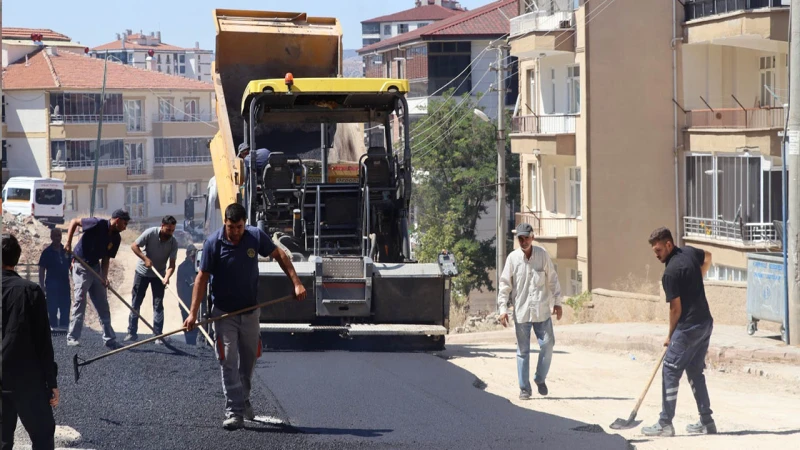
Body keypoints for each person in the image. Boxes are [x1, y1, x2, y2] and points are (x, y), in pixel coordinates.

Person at [183, 203, 306, 430]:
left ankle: (244, 399)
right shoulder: (213, 244)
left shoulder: (255, 236)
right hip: (223, 313)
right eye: (232, 227)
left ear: (245, 223)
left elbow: (279, 255)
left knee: (249, 360)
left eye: (239, 227)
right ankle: (234, 410)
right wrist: (192, 314)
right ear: (225, 224)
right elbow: (201, 279)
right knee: (228, 359)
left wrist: (296, 283)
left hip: (250, 312)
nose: (236, 232)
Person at [642, 227, 716, 437]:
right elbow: (708, 256)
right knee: (694, 371)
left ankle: (665, 423)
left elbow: (676, 309)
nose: (656, 255)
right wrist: (698, 278)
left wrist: (670, 335)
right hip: (705, 323)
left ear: (668, 244)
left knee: (670, 370)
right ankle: (707, 422)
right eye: (654, 251)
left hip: (688, 326)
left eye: (658, 250)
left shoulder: (671, 273)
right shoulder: (689, 252)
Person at [2, 233, 60, 450]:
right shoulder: (30, 291)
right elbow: (43, 341)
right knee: (43, 435)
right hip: (27, 378)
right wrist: (51, 382)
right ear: (16, 259)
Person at [497, 222, 563, 400]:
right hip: (522, 312)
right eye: (521, 238)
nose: (524, 241)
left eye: (527, 237)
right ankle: (524, 388)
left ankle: (539, 378)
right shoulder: (513, 258)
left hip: (541, 311)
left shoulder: (542, 255)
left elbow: (553, 279)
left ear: (532, 237)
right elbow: (504, 285)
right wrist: (503, 309)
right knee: (523, 351)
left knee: (548, 344)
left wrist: (557, 302)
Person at [64, 209, 130, 349]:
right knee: (80, 301)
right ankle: (72, 337)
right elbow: (74, 222)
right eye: (124, 223)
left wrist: (104, 277)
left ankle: (109, 339)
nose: (125, 227)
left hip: (95, 268)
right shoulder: (97, 223)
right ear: (117, 220)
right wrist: (68, 242)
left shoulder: (116, 238)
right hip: (81, 264)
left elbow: (106, 258)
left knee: (103, 304)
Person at [125, 215, 179, 344]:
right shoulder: (150, 233)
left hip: (159, 275)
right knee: (136, 302)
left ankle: (157, 335)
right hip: (142, 273)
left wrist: (166, 277)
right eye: (168, 230)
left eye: (172, 230)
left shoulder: (173, 242)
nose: (170, 233)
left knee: (158, 304)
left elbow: (172, 265)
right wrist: (145, 259)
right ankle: (132, 332)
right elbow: (134, 246)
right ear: (162, 226)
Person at [38, 228, 72, 330]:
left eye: (59, 236)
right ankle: (53, 328)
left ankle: (64, 328)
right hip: (52, 285)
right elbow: (41, 269)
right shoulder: (47, 252)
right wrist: (42, 285)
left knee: (65, 306)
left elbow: (72, 266)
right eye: (56, 236)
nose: (58, 238)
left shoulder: (65, 251)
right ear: (51, 237)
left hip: (64, 284)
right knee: (52, 307)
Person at [176, 244, 201, 346]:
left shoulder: (200, 266)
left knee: (199, 320)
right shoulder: (182, 267)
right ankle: (189, 343)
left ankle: (199, 341)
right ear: (187, 255)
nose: (193, 258)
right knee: (187, 319)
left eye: (194, 256)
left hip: (198, 299)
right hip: (186, 299)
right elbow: (180, 286)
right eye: (191, 255)